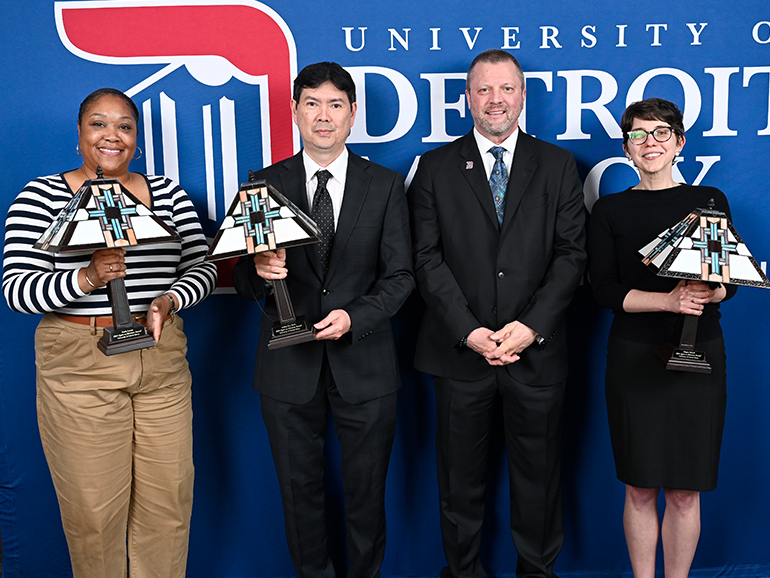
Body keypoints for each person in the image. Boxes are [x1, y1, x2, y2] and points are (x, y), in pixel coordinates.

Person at [2, 88, 217, 578]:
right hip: (80, 363)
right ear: (79, 136)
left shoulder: (167, 195)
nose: (111, 136)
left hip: (161, 357)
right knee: (94, 513)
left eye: (124, 126)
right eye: (99, 124)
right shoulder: (41, 197)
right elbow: (17, 290)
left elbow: (200, 267)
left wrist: (169, 299)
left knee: (169, 502)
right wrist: (88, 278)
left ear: (136, 141)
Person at [409, 49, 587, 578]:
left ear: (522, 96)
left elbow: (572, 255)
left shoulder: (557, 165)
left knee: (540, 481)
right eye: (483, 89)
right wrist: (469, 331)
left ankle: (537, 572)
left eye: (506, 89)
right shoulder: (436, 167)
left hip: (536, 355)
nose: (495, 100)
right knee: (459, 483)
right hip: (459, 354)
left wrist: (529, 328)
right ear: (467, 97)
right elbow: (424, 258)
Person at [232, 62, 413, 578]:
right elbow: (242, 282)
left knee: (366, 491)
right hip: (288, 367)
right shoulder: (263, 184)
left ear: (353, 114)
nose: (324, 116)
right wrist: (260, 271)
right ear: (294, 112)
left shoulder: (385, 185)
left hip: (366, 363)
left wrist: (355, 317)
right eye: (312, 104)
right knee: (298, 491)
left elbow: (401, 276)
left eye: (336, 105)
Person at [588, 97, 735, 578]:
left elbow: (726, 281)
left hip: (700, 356)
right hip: (634, 358)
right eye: (638, 134)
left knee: (685, 489)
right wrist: (668, 301)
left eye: (661, 134)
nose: (649, 143)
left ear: (679, 144)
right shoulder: (609, 209)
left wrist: (713, 290)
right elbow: (603, 289)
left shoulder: (708, 201)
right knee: (639, 486)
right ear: (627, 146)